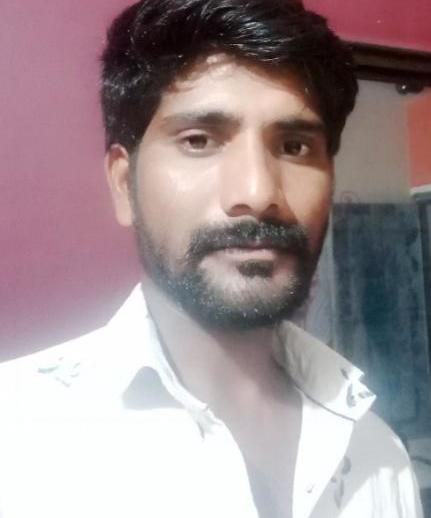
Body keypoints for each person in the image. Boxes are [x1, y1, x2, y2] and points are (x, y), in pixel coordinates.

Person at [0, 1, 423, 517]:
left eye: (294, 146)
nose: (258, 192)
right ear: (123, 185)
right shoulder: (17, 441)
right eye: (199, 141)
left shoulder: (379, 457)